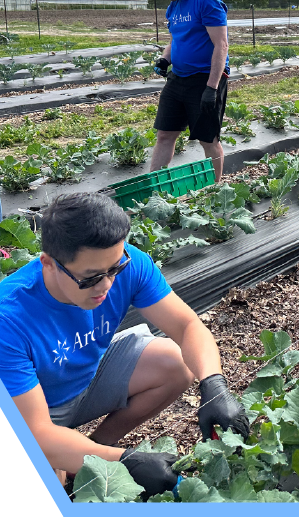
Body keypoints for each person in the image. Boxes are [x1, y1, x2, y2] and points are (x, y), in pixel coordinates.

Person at [0, 193, 249, 498]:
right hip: (35, 409)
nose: (107, 285)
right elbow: (36, 433)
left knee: (176, 363)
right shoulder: (9, 317)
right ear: (49, 264)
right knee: (48, 485)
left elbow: (187, 327)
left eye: (114, 269)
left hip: (89, 377)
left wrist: (214, 385)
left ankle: (94, 450)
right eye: (90, 278)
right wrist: (127, 463)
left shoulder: (128, 263)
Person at [148, 0, 230, 183]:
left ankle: (214, 188)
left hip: (205, 79)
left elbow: (221, 45)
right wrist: (165, 59)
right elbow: (176, 39)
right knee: (165, 134)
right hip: (178, 79)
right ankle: (153, 187)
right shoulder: (173, 6)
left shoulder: (207, 1)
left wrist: (211, 88)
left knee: (208, 139)